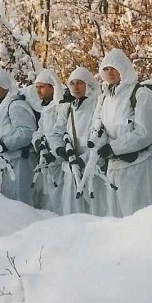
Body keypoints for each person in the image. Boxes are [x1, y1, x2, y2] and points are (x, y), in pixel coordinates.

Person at [91, 48, 152, 217]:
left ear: (123, 68)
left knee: (139, 219)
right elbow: (99, 127)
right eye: (106, 68)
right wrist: (102, 145)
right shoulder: (104, 98)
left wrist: (114, 147)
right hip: (114, 168)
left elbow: (145, 132)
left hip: (138, 168)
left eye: (114, 68)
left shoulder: (141, 94)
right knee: (116, 221)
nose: (109, 72)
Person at [55, 66, 102, 215]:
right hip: (71, 166)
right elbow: (58, 132)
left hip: (91, 167)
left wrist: (84, 159)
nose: (76, 87)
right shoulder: (70, 108)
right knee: (72, 211)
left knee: (93, 211)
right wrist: (60, 149)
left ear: (88, 84)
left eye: (80, 83)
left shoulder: (97, 105)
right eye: (72, 83)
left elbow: (101, 135)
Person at [0, 71, 37, 205]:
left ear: (6, 87)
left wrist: (5, 144)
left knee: (21, 198)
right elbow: (2, 129)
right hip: (9, 160)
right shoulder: (4, 105)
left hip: (21, 160)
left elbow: (27, 132)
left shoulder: (15, 105)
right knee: (10, 199)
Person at [30, 69, 67, 213]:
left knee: (60, 200)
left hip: (59, 161)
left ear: (52, 87)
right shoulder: (45, 108)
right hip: (46, 161)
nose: (38, 91)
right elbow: (39, 131)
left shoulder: (61, 107)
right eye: (37, 87)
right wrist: (38, 142)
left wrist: (55, 152)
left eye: (42, 87)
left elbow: (62, 132)